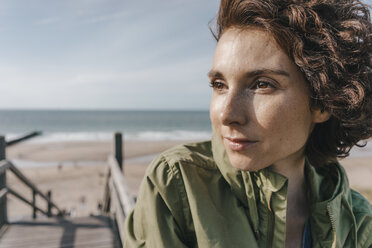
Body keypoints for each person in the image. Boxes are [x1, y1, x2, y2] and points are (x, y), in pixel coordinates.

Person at [125, 0, 372, 247]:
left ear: (323, 102)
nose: (227, 114)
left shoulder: (358, 224)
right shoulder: (176, 186)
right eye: (219, 85)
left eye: (262, 84)